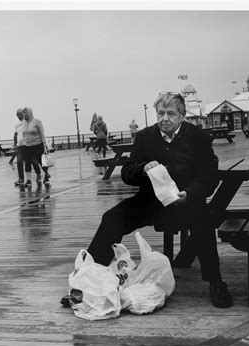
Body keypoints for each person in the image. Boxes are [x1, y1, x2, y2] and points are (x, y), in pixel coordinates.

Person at [61, 93, 232, 308]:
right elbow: (127, 172)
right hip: (149, 202)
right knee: (112, 218)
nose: (165, 119)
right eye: (161, 113)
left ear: (182, 115)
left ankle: (215, 282)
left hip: (186, 202)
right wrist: (143, 168)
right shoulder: (145, 137)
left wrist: (190, 192)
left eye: (171, 114)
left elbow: (209, 175)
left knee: (204, 222)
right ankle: (88, 284)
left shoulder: (198, 137)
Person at [21, 107, 51, 188]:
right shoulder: (23, 123)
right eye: (24, 115)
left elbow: (42, 133)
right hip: (27, 146)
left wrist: (45, 144)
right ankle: (28, 180)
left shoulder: (37, 121)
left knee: (41, 162)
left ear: (30, 113)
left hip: (38, 144)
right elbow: (23, 135)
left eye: (26, 114)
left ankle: (46, 176)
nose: (25, 116)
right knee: (27, 163)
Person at [10, 108, 26, 186]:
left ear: (23, 114)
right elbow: (15, 134)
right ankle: (21, 179)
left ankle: (44, 174)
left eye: (20, 114)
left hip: (28, 145)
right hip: (19, 146)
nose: (19, 116)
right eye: (17, 114)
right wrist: (15, 144)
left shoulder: (27, 121)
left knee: (34, 162)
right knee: (19, 162)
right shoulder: (16, 124)